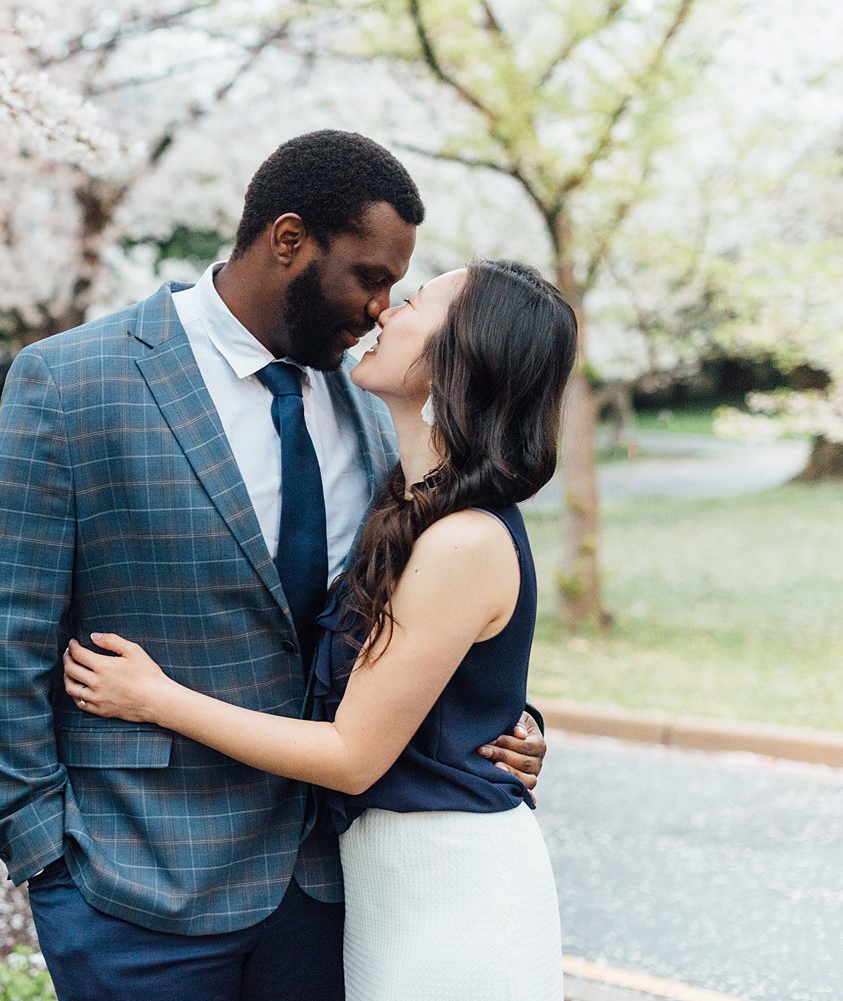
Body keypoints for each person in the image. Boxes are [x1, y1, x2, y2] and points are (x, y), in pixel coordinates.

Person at [0, 131, 547, 1001]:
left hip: (332, 889)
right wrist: (46, 858)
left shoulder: (380, 402)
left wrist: (496, 719)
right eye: (370, 276)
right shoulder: (72, 383)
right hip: (133, 890)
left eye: (397, 288)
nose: (382, 308)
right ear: (290, 240)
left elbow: (415, 609)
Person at [63, 259, 578, 999]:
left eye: (415, 304)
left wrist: (154, 697)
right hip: (387, 891)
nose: (384, 313)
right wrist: (499, 713)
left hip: (451, 897)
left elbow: (350, 755)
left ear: (458, 357)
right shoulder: (408, 501)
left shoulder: (462, 538)